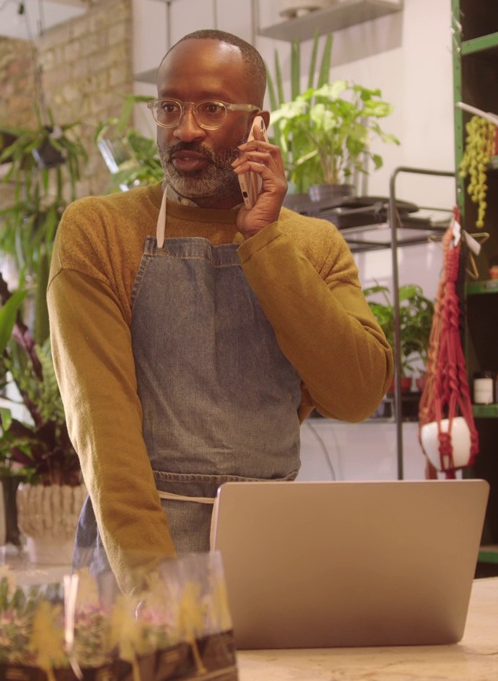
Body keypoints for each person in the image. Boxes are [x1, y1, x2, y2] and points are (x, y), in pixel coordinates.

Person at [46, 29, 394, 592]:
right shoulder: (99, 230)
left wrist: (265, 240)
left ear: (260, 124)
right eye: (169, 108)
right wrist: (157, 596)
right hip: (135, 560)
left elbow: (355, 393)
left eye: (210, 108)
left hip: (269, 549)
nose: (184, 130)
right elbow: (104, 437)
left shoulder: (312, 244)